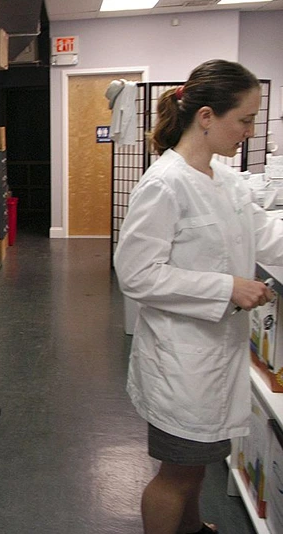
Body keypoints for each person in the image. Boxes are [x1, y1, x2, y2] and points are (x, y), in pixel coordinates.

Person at [114, 59, 283, 534]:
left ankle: (191, 529)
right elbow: (137, 274)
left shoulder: (225, 179)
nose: (250, 130)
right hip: (183, 361)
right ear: (206, 116)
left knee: (197, 465)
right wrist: (228, 288)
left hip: (214, 355)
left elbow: (265, 232)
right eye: (245, 119)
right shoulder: (164, 184)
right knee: (177, 475)